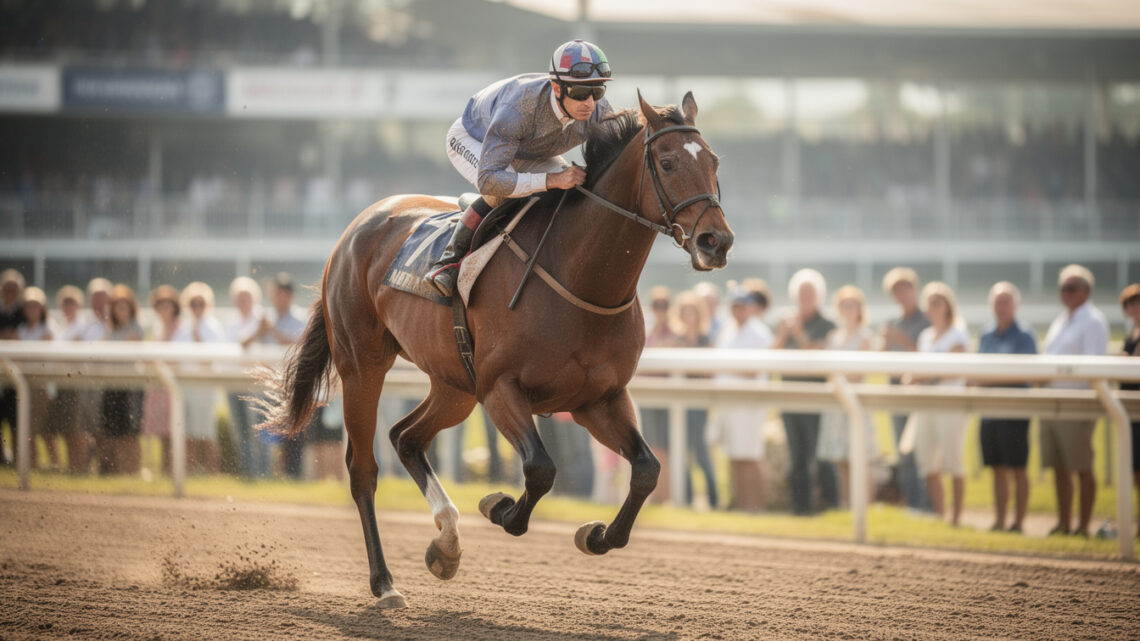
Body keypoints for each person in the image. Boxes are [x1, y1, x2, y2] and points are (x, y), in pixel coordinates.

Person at [426, 39, 615, 297]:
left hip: (529, 148)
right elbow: (490, 179)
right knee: (504, 189)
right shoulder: (518, 109)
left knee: (572, 190)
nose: (590, 103)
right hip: (474, 138)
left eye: (598, 91)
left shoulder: (599, 110)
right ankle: (449, 261)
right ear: (557, 88)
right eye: (581, 93)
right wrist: (551, 180)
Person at [1040, 265, 1108, 537]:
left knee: (1081, 465)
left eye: (1070, 288)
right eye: (1062, 288)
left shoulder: (1093, 321)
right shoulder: (1060, 320)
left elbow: (1094, 364)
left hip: (1077, 403)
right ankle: (1064, 522)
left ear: (1085, 291)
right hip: (1052, 401)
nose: (1064, 294)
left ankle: (1083, 525)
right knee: (1058, 466)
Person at [773, 268, 837, 515]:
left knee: (820, 455)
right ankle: (800, 507)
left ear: (818, 296)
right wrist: (783, 334)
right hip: (789, 395)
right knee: (796, 456)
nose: (805, 298)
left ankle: (830, 505)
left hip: (816, 397)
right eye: (801, 294)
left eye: (809, 293)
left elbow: (819, 351)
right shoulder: (785, 321)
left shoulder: (827, 323)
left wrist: (797, 333)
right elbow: (773, 354)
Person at [976, 282, 1038, 533]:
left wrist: (986, 379)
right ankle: (1000, 520)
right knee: (997, 469)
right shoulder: (986, 334)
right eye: (997, 302)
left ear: (1015, 305)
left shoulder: (1024, 335)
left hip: (1014, 410)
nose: (1001, 307)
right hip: (989, 412)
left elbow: (1024, 373)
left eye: (1005, 302)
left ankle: (1019, 522)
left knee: (1018, 468)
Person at [906, 282, 969, 526]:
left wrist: (920, 377)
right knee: (927, 462)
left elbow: (952, 369)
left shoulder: (958, 333)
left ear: (947, 306)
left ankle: (957, 517)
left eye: (937, 302)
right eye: (929, 303)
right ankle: (941, 515)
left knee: (953, 461)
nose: (932, 307)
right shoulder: (926, 337)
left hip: (950, 404)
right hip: (926, 404)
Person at [709, 286, 773, 512]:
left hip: (749, 404)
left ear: (749, 307)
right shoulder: (727, 330)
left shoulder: (759, 333)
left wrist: (727, 367)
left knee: (751, 455)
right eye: (734, 305)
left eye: (742, 305)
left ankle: (757, 505)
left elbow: (755, 370)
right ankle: (742, 504)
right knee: (734, 456)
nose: (738, 310)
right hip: (728, 401)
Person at [817, 285, 876, 510]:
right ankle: (846, 505)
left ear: (860, 308)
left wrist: (837, 376)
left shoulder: (865, 337)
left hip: (855, 402)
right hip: (837, 404)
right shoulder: (834, 336)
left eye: (852, 305)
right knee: (841, 459)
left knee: (859, 459)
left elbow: (857, 374)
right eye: (844, 305)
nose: (848, 309)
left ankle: (864, 507)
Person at [880, 267, 931, 512]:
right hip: (896, 391)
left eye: (904, 288)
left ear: (914, 289)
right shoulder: (892, 322)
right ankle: (912, 505)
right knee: (903, 452)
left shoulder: (926, 320)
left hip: (920, 392)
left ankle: (927, 506)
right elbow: (882, 360)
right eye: (895, 290)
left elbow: (926, 355)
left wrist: (899, 338)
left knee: (922, 453)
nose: (900, 294)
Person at [671, 290, 718, 510]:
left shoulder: (706, 339)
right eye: (685, 312)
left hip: (698, 404)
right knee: (680, 451)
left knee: (700, 451)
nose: (689, 316)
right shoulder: (676, 340)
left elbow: (709, 373)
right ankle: (687, 498)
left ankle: (714, 499)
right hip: (679, 403)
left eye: (692, 312)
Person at [141, 285, 190, 476]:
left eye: (167, 304)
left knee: (174, 430)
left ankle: (175, 470)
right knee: (160, 431)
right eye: (160, 304)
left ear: (174, 306)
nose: (164, 308)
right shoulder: (156, 329)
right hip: (158, 386)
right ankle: (163, 471)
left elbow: (179, 358)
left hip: (175, 386)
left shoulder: (182, 328)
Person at [225, 276, 270, 478]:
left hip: (255, 383)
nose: (243, 302)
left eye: (246, 297)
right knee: (239, 429)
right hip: (234, 380)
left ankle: (263, 472)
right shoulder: (232, 321)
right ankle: (248, 472)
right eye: (240, 297)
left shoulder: (262, 318)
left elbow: (243, 344)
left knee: (257, 428)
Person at [99, 284, 144, 475]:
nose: (121, 311)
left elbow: (118, 348)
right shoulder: (110, 331)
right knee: (110, 431)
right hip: (111, 385)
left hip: (130, 386)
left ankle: (133, 470)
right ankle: (114, 470)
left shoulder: (136, 329)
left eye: (124, 307)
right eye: (118, 307)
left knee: (130, 433)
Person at [181, 281, 224, 474]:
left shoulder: (213, 327)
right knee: (188, 432)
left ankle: (211, 471)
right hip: (186, 385)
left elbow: (211, 360)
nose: (197, 307)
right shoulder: (184, 326)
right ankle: (190, 471)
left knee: (207, 432)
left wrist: (198, 338)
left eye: (200, 303)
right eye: (193, 303)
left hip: (205, 386)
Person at [49, 285, 89, 473]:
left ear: (78, 305)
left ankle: (81, 466)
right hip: (61, 383)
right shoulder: (61, 327)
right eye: (65, 303)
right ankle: (71, 466)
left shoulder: (82, 325)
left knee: (77, 428)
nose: (68, 306)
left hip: (77, 383)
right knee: (65, 427)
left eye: (71, 302)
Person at [641, 285, 675, 504]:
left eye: (663, 305)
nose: (660, 310)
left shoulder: (673, 333)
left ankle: (665, 495)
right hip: (648, 397)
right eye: (656, 305)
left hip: (666, 399)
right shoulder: (648, 333)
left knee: (663, 448)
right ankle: (656, 495)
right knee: (651, 446)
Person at [1118, 283, 1140, 538]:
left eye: (1137, 303)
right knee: (1134, 470)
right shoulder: (1131, 334)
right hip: (1129, 409)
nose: (1134, 308)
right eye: (1130, 304)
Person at [0, 269, 26, 465]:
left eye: (14, 289)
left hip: (19, 375)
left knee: (18, 421)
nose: (10, 292)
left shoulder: (24, 312)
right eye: (7, 288)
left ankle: (20, 460)